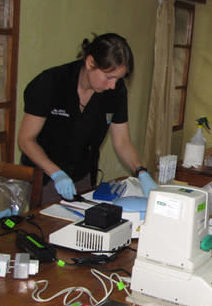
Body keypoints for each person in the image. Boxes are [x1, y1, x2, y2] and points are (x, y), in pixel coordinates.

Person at [18, 33, 156, 205]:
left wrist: (141, 171)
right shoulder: (51, 83)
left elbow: (122, 141)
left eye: (118, 79)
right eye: (109, 77)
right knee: (48, 227)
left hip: (81, 175)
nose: (113, 85)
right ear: (91, 62)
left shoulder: (115, 92)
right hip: (44, 176)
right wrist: (56, 173)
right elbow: (25, 140)